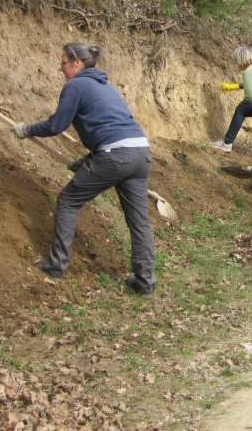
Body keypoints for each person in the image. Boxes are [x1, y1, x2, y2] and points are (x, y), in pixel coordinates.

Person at [10, 42, 156, 297]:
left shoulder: (75, 85)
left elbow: (57, 125)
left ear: (77, 63)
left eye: (63, 62)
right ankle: (145, 282)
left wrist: (28, 129)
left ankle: (55, 266)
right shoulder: (107, 88)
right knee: (139, 220)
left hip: (115, 155)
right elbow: (112, 125)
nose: (61, 69)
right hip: (140, 152)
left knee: (68, 201)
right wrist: (90, 157)